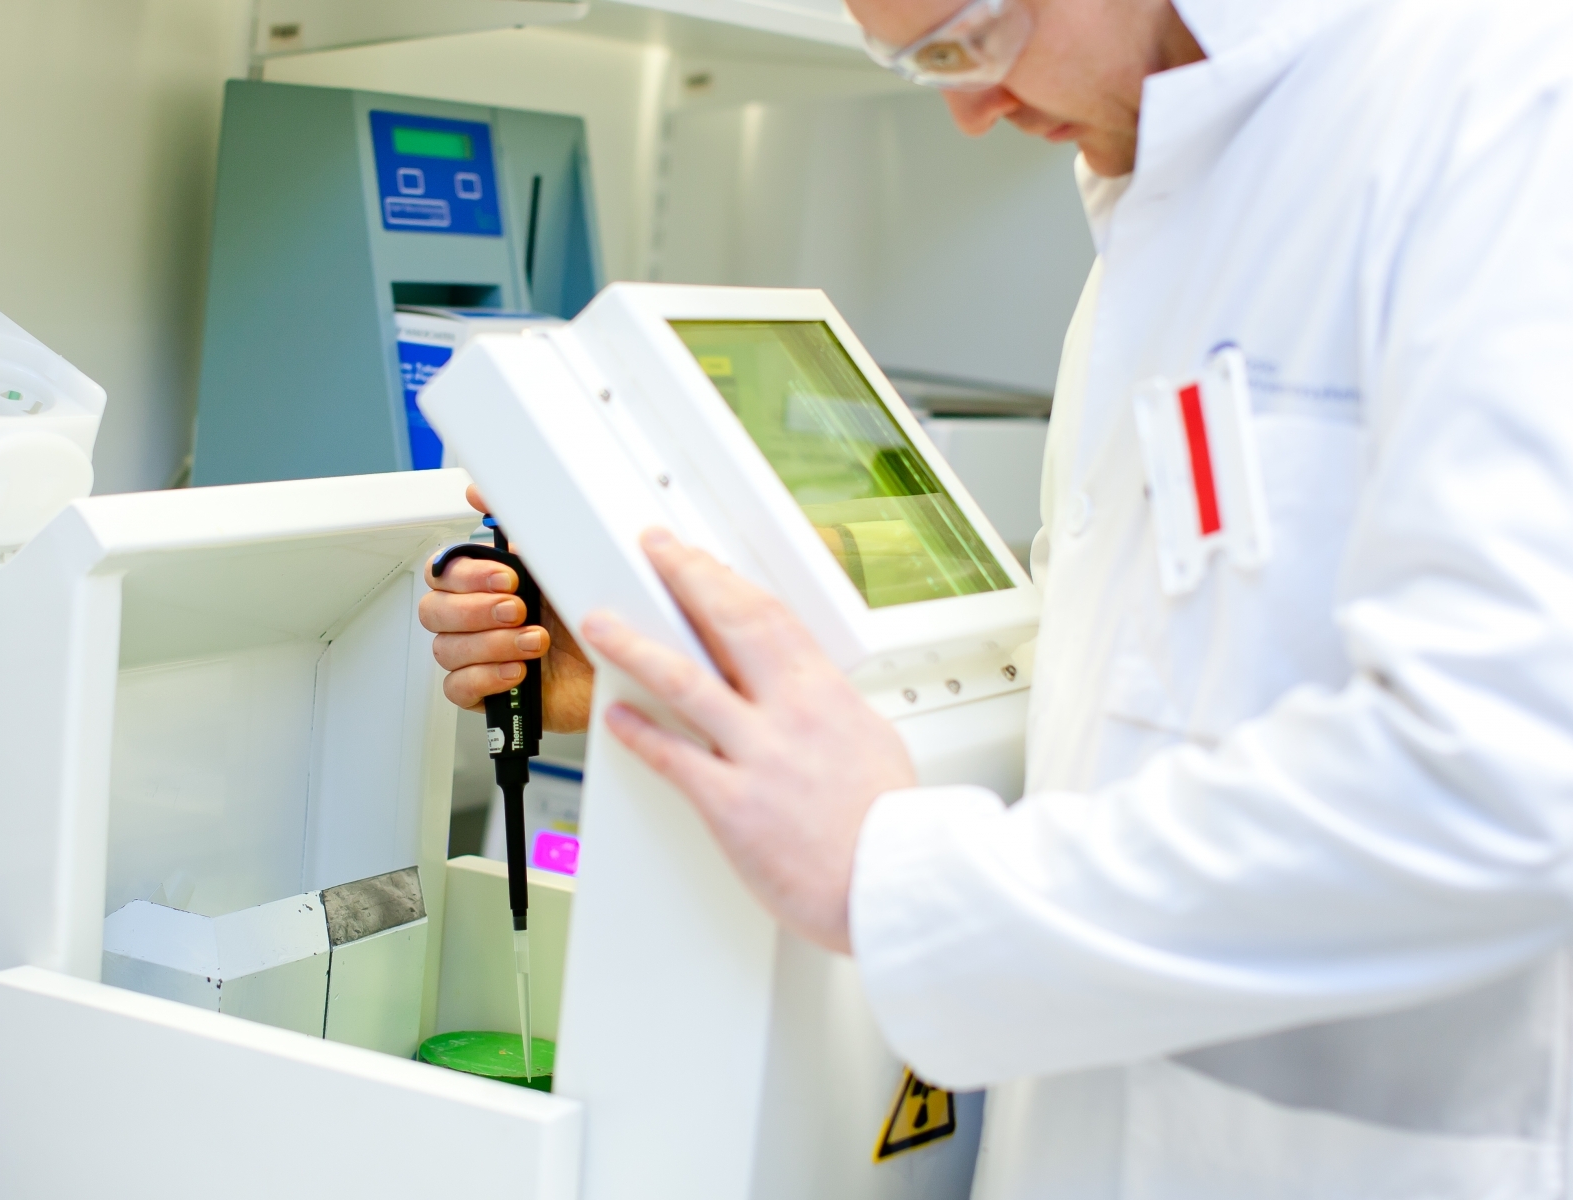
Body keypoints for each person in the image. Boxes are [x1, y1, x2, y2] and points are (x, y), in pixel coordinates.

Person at [421, 0, 1573, 1193]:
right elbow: (1119, 708)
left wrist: (895, 873)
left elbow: (1505, 775)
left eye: (970, 33)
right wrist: (690, 678)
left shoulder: (1505, 115)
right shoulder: (1156, 198)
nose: (967, 108)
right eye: (914, 62)